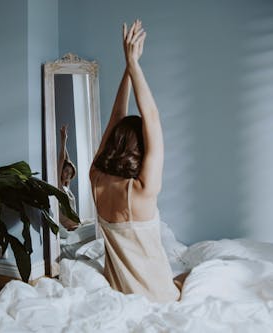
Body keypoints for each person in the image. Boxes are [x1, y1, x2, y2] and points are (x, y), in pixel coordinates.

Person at [89, 20, 183, 302]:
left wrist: (129, 66)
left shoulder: (95, 178)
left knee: (183, 276)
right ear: (140, 148)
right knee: (192, 277)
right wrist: (132, 62)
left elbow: (116, 117)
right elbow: (151, 118)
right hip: (158, 296)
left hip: (122, 295)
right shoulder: (142, 190)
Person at [58, 124, 79, 231]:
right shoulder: (58, 186)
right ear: (61, 170)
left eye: (70, 174)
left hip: (77, 225)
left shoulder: (66, 187)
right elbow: (63, 159)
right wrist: (63, 140)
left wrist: (65, 142)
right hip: (70, 228)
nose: (67, 175)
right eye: (66, 171)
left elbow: (67, 160)